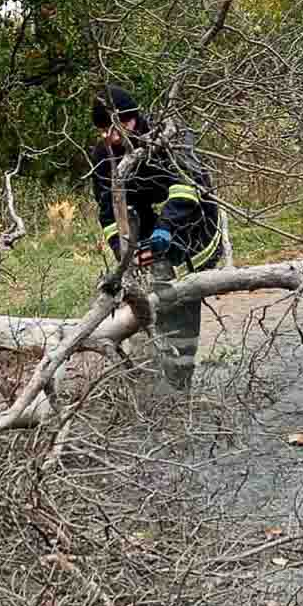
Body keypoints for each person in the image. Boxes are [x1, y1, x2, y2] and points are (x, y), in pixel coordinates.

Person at [89, 84, 222, 391]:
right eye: (102, 130)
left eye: (115, 127)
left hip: (192, 226)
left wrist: (167, 228)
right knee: (147, 303)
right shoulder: (103, 155)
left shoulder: (171, 137)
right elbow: (109, 210)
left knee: (182, 298)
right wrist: (123, 249)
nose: (109, 137)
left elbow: (187, 187)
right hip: (148, 228)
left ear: (132, 118)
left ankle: (180, 382)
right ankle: (151, 374)